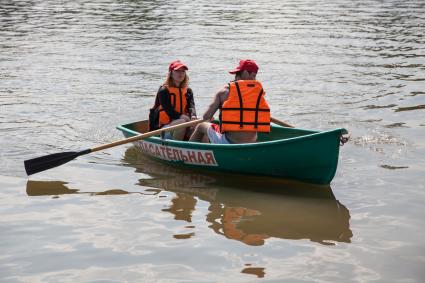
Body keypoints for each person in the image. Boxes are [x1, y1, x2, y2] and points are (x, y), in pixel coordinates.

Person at [189, 59, 270, 144]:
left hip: (229, 141)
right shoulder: (258, 93)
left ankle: (188, 153)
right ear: (246, 73)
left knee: (201, 126)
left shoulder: (224, 91)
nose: (254, 79)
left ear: (245, 72)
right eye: (253, 76)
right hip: (251, 141)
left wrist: (210, 117)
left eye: (254, 76)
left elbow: (206, 116)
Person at [149, 59, 197, 140]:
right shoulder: (164, 90)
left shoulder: (188, 91)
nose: (180, 74)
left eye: (183, 71)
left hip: (184, 122)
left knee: (200, 124)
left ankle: (196, 146)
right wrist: (184, 118)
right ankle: (178, 148)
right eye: (177, 71)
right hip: (164, 127)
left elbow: (191, 106)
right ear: (171, 73)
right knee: (181, 122)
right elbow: (169, 111)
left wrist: (193, 116)